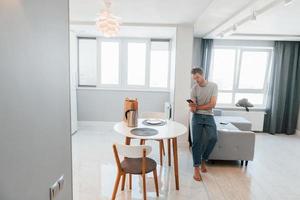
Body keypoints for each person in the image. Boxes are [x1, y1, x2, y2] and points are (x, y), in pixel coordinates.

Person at [189, 67, 218, 181]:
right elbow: (194, 107)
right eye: (194, 78)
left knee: (213, 138)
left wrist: (198, 107)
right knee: (196, 141)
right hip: (196, 116)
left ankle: (203, 159)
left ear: (202, 75)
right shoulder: (194, 89)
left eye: (197, 77)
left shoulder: (213, 86)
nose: (196, 80)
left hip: (209, 116)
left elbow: (213, 104)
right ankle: (196, 167)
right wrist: (192, 108)